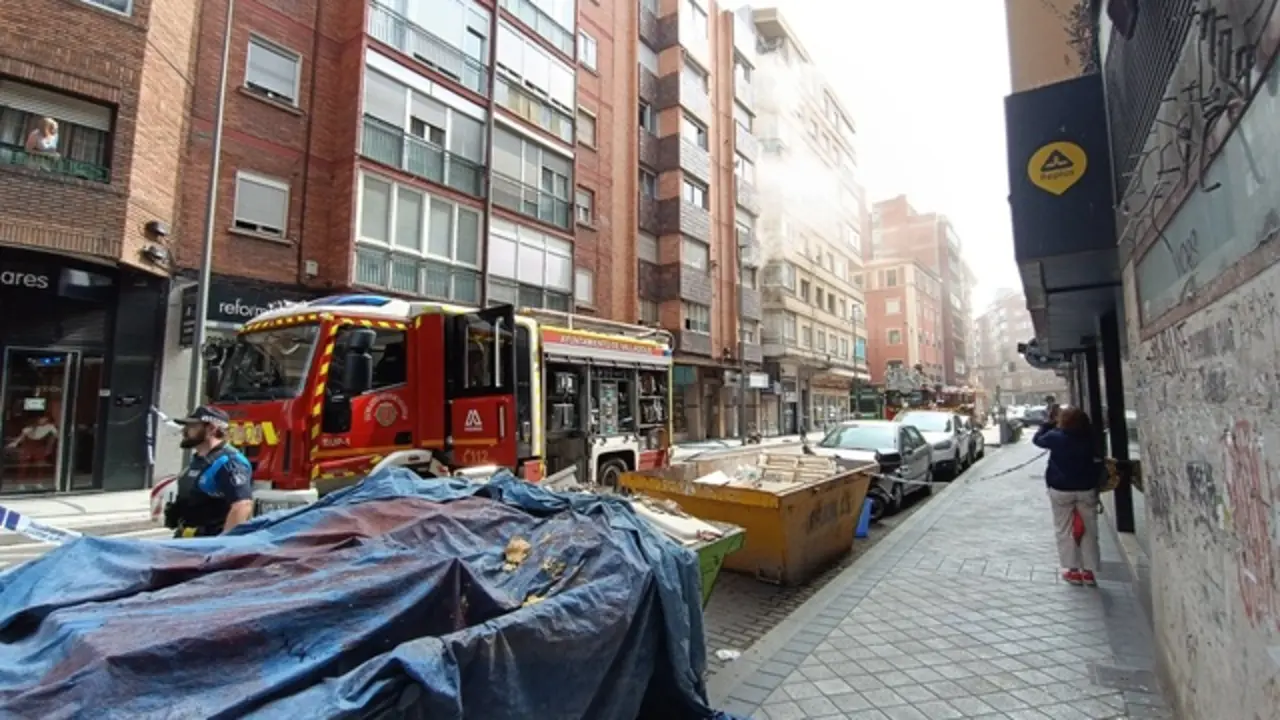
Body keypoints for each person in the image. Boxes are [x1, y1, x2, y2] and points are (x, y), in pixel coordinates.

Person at [1033, 406, 1102, 586]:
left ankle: (1072, 570)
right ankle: (1089, 571)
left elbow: (1037, 440)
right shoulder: (1090, 437)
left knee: (1064, 529)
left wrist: (1049, 423)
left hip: (1061, 488)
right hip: (1086, 487)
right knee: (1090, 529)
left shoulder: (1056, 437)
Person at [164, 405, 254, 538]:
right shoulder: (199, 460)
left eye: (192, 426)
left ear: (211, 429)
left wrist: (222, 546)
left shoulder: (229, 462)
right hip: (187, 541)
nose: (185, 431)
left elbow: (242, 505)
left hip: (207, 546)